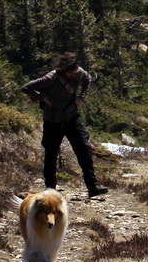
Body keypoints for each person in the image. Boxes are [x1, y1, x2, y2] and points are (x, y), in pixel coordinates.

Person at [21, 52, 108, 198]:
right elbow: (26, 88)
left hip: (72, 118)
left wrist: (81, 97)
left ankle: (93, 186)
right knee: (51, 154)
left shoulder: (79, 72)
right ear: (63, 70)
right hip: (52, 120)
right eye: (70, 73)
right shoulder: (51, 78)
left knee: (83, 148)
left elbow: (88, 79)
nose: (74, 75)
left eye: (75, 72)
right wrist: (43, 98)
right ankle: (50, 189)